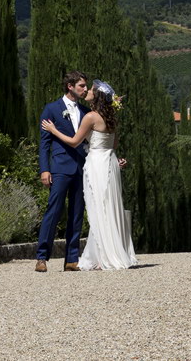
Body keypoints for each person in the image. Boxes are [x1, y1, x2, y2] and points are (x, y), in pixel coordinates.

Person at [41, 79, 137, 270]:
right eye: (84, 87)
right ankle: (108, 252)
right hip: (106, 163)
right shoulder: (111, 118)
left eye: (90, 89)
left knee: (94, 209)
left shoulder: (90, 116)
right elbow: (112, 146)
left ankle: (92, 257)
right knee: (107, 206)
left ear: (97, 97)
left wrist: (54, 130)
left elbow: (75, 141)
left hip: (94, 165)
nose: (87, 91)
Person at [35, 71, 89, 272]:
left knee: (77, 214)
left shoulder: (85, 111)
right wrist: (44, 169)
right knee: (54, 211)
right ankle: (42, 257)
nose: (85, 89)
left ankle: (71, 259)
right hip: (59, 169)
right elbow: (44, 145)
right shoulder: (51, 109)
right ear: (70, 86)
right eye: (82, 86)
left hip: (81, 168)